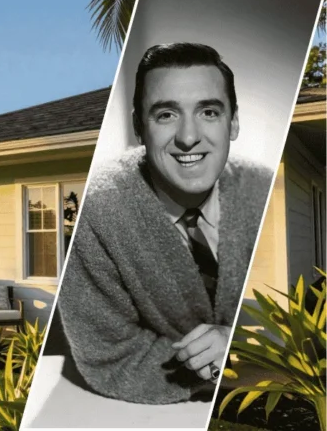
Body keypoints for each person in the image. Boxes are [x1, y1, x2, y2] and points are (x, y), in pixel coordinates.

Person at [55, 42, 274, 404]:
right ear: (139, 127)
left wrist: (235, 345)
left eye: (208, 111)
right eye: (166, 115)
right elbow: (108, 352)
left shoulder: (261, 189)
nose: (188, 138)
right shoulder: (100, 209)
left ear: (233, 122)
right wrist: (222, 365)